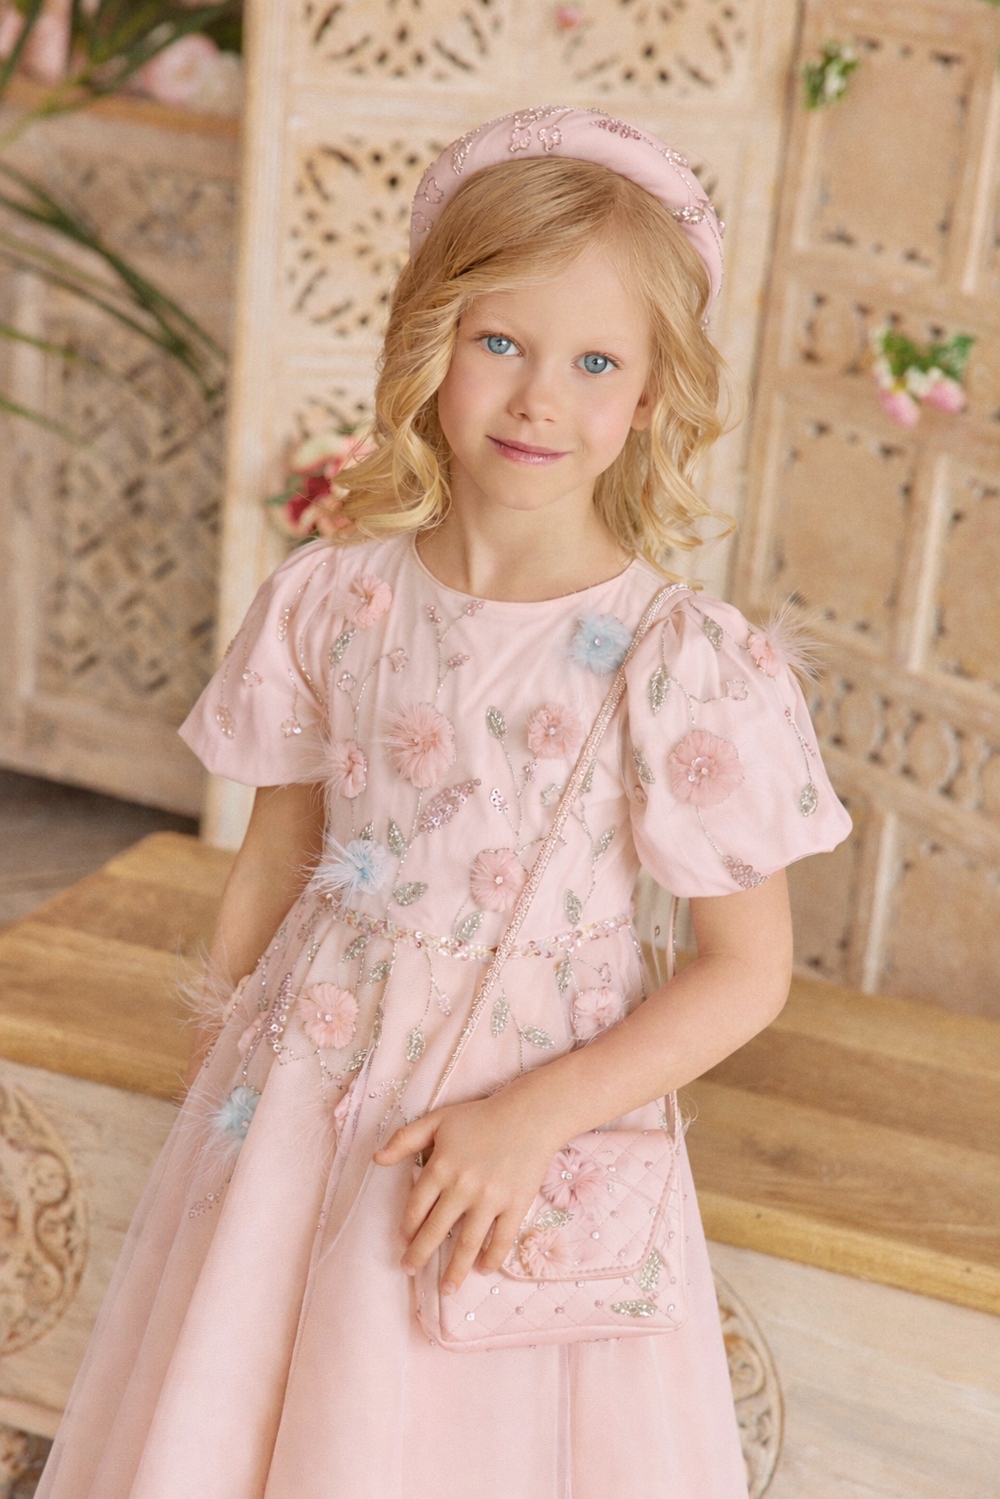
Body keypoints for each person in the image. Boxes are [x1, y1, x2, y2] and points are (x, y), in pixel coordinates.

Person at [37, 107, 851, 1499]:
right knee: (258, 1397)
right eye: (501, 341)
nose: (540, 398)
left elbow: (746, 970)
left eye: (595, 361)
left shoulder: (680, 659)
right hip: (306, 1097)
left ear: (651, 395)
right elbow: (278, 857)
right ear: (431, 341)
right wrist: (229, 1087)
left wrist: (535, 1118)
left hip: (532, 1124)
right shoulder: (334, 598)